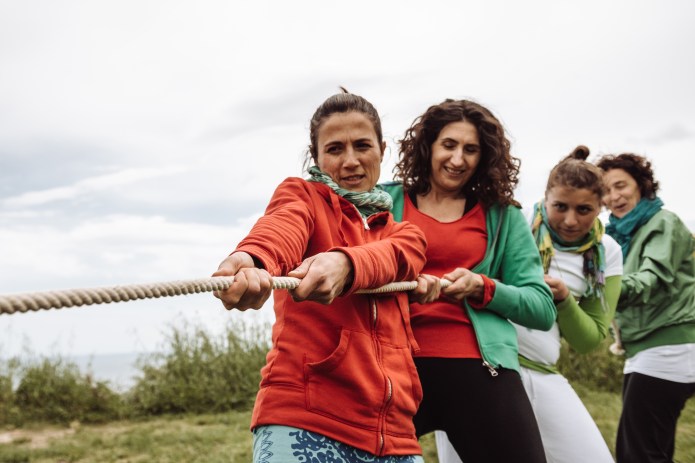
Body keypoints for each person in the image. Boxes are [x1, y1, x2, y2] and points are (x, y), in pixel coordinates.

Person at [213, 89, 429, 463]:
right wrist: (253, 258)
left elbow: (398, 257)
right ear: (316, 158)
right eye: (334, 149)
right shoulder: (302, 197)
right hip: (303, 420)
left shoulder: (405, 234)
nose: (350, 161)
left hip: (396, 436)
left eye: (362, 146)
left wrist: (345, 264)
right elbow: (282, 227)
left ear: (382, 150)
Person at [382, 98, 557, 462]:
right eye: (448, 145)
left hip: (481, 368)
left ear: (484, 157)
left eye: (471, 149)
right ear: (428, 146)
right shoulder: (383, 202)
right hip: (392, 369)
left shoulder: (503, 216)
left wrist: (483, 288)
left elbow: (541, 308)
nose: (458, 159)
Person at [437, 145, 623, 462]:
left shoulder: (606, 253)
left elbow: (589, 339)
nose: (570, 220)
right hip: (480, 367)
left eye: (584, 210)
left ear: (601, 206)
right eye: (560, 206)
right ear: (545, 198)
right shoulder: (514, 223)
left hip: (541, 372)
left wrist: (564, 301)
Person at [597, 153, 695, 463]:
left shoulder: (662, 222)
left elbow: (651, 279)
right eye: (606, 191)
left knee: (638, 454)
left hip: (668, 347)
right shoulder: (618, 235)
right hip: (644, 349)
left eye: (621, 186)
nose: (614, 197)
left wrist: (598, 289)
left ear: (641, 184)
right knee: (651, 451)